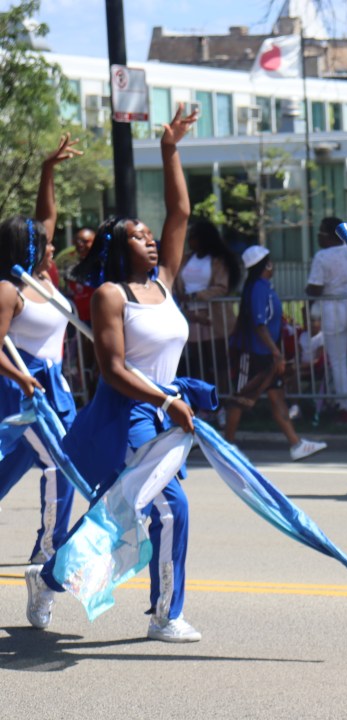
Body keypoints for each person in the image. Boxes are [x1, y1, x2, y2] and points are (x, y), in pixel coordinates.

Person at [25, 107, 213, 642]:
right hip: (129, 411)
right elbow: (114, 369)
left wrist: (170, 147)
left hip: (165, 412)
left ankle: (50, 576)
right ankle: (165, 615)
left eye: (150, 234)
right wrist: (166, 400)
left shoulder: (165, 282)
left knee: (120, 513)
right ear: (115, 248)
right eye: (137, 236)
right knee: (169, 507)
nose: (151, 240)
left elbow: (181, 212)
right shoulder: (113, 295)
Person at [0, 135, 81, 601]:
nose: (55, 245)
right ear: (27, 249)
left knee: (23, 462)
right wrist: (21, 377)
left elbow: (45, 218)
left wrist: (48, 169)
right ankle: (47, 553)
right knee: (60, 463)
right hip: (24, 390)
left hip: (56, 387)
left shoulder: (43, 278)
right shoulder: (9, 289)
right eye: (44, 243)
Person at [226, 245, 327, 460]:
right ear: (266, 265)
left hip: (267, 354)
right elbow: (259, 324)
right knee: (241, 398)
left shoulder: (262, 287)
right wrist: (276, 353)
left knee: (277, 397)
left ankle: (296, 444)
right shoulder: (258, 289)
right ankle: (226, 445)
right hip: (254, 353)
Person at [306, 215, 347, 424]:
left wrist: (308, 291)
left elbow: (315, 287)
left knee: (338, 361)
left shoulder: (322, 256)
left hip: (334, 306)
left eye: (319, 233)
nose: (317, 238)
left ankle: (346, 409)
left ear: (327, 236)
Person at [175, 219, 240, 385]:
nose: (190, 241)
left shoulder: (218, 260)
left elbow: (221, 287)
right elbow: (177, 282)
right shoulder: (187, 259)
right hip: (192, 316)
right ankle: (202, 401)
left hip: (214, 317)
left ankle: (222, 399)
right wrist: (182, 297)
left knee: (218, 360)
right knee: (197, 362)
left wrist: (196, 296)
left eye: (193, 237)